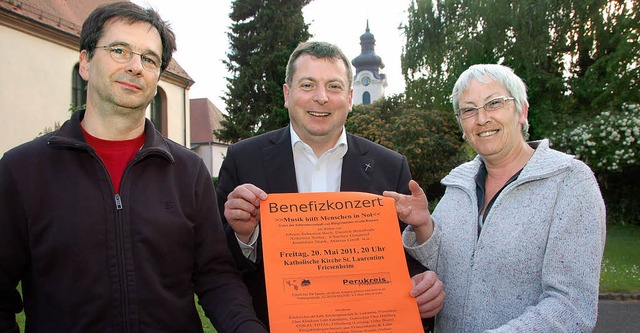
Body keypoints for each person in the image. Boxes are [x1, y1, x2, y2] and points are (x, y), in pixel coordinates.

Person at [0, 2, 266, 332]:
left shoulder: (188, 171)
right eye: (120, 50)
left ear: (156, 76)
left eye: (149, 59)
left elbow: (216, 276)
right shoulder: (22, 171)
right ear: (85, 62)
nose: (136, 66)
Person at [216, 41, 445, 331]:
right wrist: (244, 236)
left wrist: (423, 284)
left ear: (349, 98)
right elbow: (217, 265)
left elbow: (403, 260)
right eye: (308, 85)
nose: (321, 97)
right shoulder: (243, 159)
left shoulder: (391, 166)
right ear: (288, 94)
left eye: (334, 87)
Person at [384, 64, 606, 332]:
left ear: (521, 111)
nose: (482, 119)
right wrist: (423, 227)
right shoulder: (459, 182)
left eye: (494, 103)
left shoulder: (569, 181)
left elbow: (571, 308)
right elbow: (448, 269)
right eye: (469, 110)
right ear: (463, 126)